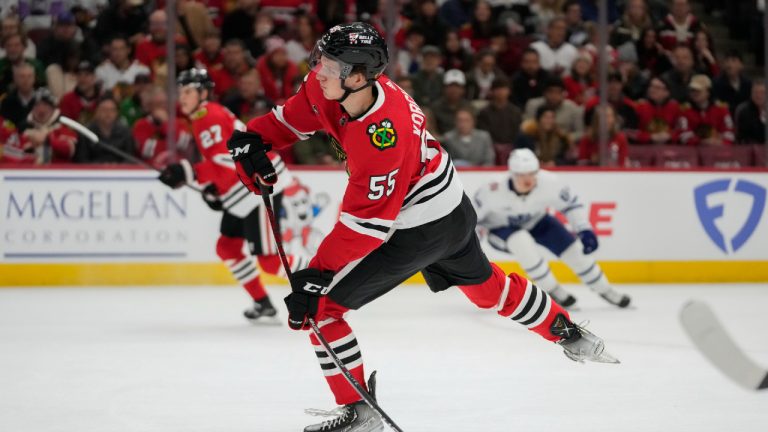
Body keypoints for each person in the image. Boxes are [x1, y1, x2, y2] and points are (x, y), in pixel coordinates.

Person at [227, 22, 618, 432]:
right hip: (452, 208)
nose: (317, 70)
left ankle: (361, 414)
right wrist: (253, 139)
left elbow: (365, 229)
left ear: (358, 77)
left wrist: (316, 276)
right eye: (320, 59)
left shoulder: (384, 138)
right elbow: (291, 120)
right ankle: (567, 332)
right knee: (487, 289)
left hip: (418, 227)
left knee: (322, 310)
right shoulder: (333, 84)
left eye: (329, 65)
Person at [159, 68, 305, 323]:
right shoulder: (204, 116)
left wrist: (187, 171)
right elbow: (227, 165)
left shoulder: (207, 116)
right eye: (181, 91)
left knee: (270, 262)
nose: (182, 97)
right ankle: (263, 304)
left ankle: (328, 276)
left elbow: (225, 161)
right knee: (227, 247)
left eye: (188, 91)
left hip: (258, 188)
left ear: (203, 93)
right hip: (243, 190)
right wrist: (214, 189)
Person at [476, 152, 631, 309]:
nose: (527, 179)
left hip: (537, 220)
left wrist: (584, 229)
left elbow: (570, 205)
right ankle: (552, 289)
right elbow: (472, 217)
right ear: (512, 174)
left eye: (532, 173)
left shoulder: (550, 182)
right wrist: (473, 238)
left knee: (574, 251)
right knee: (521, 242)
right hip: (500, 228)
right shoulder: (491, 189)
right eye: (521, 175)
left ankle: (606, 289)